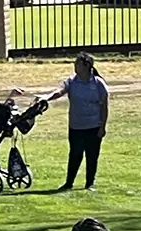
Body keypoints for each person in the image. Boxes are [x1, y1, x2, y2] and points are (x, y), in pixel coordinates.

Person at [37, 52, 109, 192]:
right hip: (76, 126)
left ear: (86, 65)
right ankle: (69, 183)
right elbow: (60, 91)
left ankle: (90, 183)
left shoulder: (98, 83)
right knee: (75, 154)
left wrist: (103, 126)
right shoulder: (72, 81)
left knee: (92, 156)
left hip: (94, 126)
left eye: (77, 63)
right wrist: (47, 97)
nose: (75, 66)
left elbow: (104, 106)